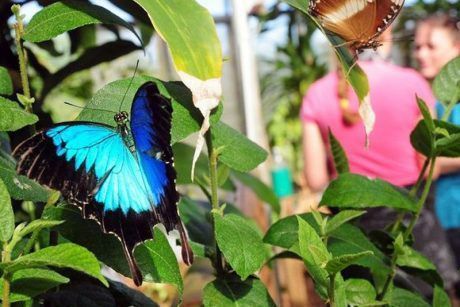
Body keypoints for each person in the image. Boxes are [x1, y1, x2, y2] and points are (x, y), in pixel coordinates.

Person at [301, 34, 459, 293]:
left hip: (352, 238)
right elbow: (430, 164)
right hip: (411, 233)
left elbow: (316, 178)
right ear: (385, 34)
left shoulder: (317, 94)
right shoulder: (412, 83)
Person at [415, 14, 460, 267]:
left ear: (456, 48)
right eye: (417, 46)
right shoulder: (428, 97)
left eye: (431, 46)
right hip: (438, 220)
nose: (421, 54)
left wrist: (431, 160)